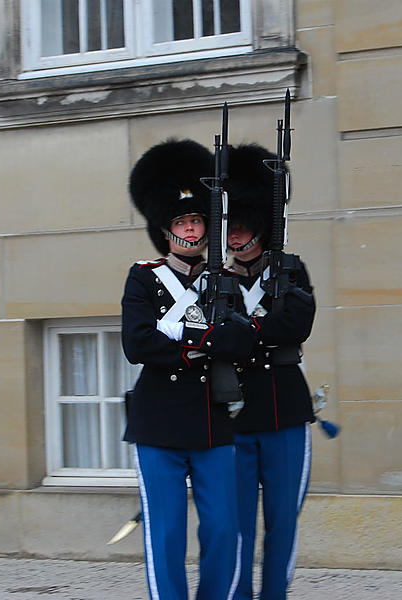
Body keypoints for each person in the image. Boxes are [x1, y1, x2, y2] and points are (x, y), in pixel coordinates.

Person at [122, 138, 257, 600]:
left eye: (197, 218)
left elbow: (241, 339)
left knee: (222, 529)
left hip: (212, 422)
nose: (192, 227)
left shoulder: (223, 281)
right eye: (182, 220)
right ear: (167, 228)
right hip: (158, 422)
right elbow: (137, 343)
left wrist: (196, 340)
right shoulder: (143, 276)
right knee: (166, 536)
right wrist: (200, 345)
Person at [224, 144, 317, 600]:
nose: (236, 236)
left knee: (282, 523)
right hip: (234, 419)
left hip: (284, 415)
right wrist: (261, 330)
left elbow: (299, 323)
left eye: (243, 227)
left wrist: (247, 330)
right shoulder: (211, 280)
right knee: (237, 527)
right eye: (232, 227)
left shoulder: (290, 270)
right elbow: (215, 335)